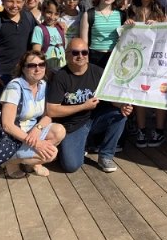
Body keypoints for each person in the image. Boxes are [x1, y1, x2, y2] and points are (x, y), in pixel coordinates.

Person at [46, 38, 133, 173]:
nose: (80, 56)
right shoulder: (61, 77)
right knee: (71, 166)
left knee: (120, 114)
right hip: (72, 125)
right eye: (75, 53)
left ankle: (105, 155)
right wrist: (82, 106)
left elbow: (110, 98)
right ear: (67, 54)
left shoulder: (98, 72)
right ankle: (78, 146)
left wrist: (122, 106)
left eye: (84, 52)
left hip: (94, 119)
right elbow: (51, 110)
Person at [0, 51, 66, 178]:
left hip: (32, 132)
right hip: (13, 137)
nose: (37, 69)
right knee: (51, 154)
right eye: (32, 65)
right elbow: (7, 125)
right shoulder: (15, 87)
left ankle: (32, 163)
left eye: (41, 64)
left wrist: (38, 128)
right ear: (23, 68)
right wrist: (36, 143)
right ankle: (10, 162)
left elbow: (48, 114)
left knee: (59, 131)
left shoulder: (43, 85)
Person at [125, 0, 167, 148]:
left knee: (159, 94)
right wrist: (128, 24)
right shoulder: (131, 10)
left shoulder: (161, 10)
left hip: (156, 59)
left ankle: (159, 129)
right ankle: (142, 129)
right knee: (139, 95)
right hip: (138, 59)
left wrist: (159, 25)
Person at [0, 0, 36, 111]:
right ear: (2, 0)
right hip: (2, 75)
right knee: (1, 112)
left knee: (25, 111)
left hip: (24, 73)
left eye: (18, 2)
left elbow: (41, 33)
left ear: (23, 1)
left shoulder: (28, 17)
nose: (14, 5)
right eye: (10, 1)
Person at [79, 0, 127, 68]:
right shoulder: (88, 15)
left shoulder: (122, 15)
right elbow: (84, 43)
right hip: (94, 57)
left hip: (115, 56)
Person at [31, 0, 66, 71]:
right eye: (49, 12)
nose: (52, 17)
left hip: (62, 67)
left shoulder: (60, 28)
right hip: (47, 69)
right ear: (43, 12)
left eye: (56, 14)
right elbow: (36, 53)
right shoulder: (38, 29)